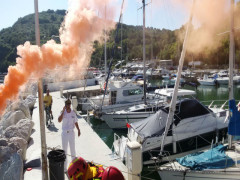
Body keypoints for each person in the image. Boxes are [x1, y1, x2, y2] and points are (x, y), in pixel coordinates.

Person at [58, 99, 81, 172]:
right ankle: (65, 169)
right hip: (64, 133)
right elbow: (59, 120)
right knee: (64, 150)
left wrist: (78, 129)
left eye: (69, 104)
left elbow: (75, 122)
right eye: (66, 104)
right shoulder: (62, 112)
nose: (68, 105)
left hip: (71, 133)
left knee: (72, 150)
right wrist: (63, 112)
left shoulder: (73, 113)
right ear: (65, 105)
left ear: (70, 104)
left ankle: (73, 166)